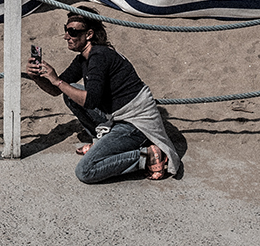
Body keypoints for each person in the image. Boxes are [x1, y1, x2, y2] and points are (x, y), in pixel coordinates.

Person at [26, 11, 181, 181]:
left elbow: (90, 101)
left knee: (85, 171)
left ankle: (147, 157)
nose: (66, 36)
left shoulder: (99, 56)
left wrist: (57, 81)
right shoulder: (83, 58)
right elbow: (57, 90)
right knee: (70, 93)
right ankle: (101, 143)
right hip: (117, 117)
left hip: (134, 124)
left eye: (73, 32)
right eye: (66, 30)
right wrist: (37, 78)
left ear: (89, 34)